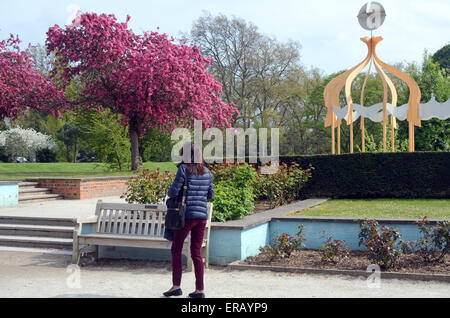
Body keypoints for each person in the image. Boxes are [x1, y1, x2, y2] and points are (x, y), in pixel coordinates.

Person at [163, 143, 214, 298]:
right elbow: (210, 195)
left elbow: (174, 191)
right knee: (196, 253)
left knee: (176, 249)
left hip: (185, 216)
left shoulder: (183, 169)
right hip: (201, 217)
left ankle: (176, 286)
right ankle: (200, 290)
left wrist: (169, 192)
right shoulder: (207, 171)